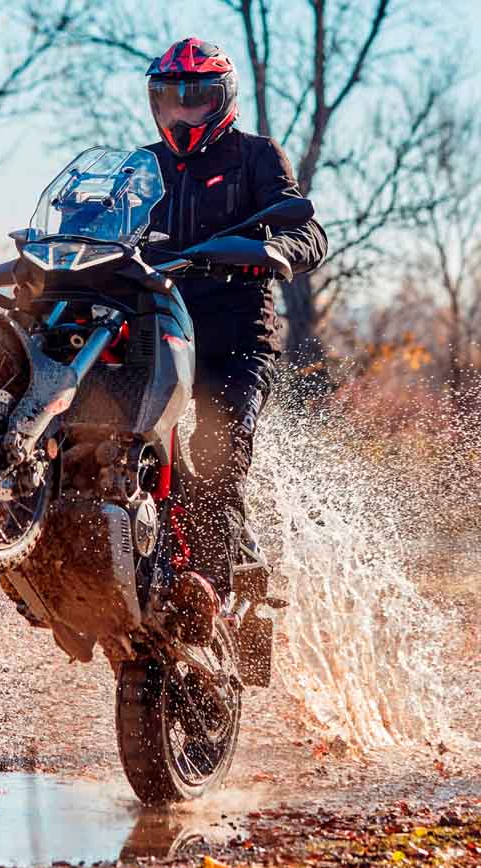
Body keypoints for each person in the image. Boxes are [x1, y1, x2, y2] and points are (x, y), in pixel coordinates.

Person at [141, 37, 327, 634]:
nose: (182, 112)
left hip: (234, 340)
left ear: (222, 100)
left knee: (217, 455)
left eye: (196, 98)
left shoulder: (256, 157)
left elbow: (309, 231)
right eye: (170, 99)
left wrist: (273, 249)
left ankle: (220, 593)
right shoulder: (141, 167)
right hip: (156, 331)